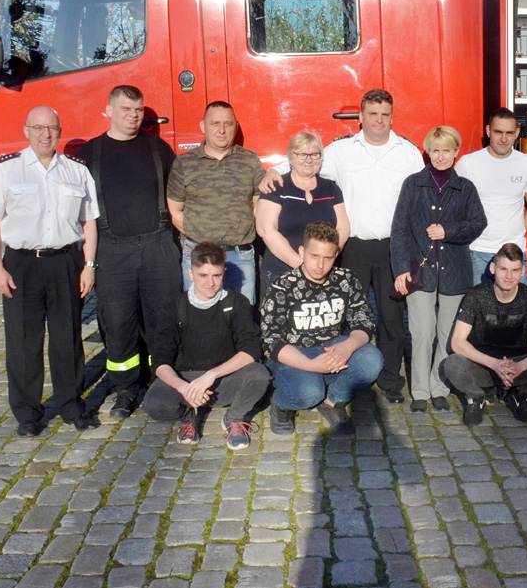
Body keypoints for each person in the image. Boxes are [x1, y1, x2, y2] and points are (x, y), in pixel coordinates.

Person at [262, 89, 421, 404]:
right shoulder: (341, 150)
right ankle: (341, 371)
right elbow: (303, 160)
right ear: (360, 116)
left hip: (393, 246)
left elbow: (418, 199)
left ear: (392, 116)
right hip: (354, 247)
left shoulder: (408, 153)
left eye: (385, 114)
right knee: (345, 316)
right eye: (372, 114)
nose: (378, 120)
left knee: (391, 317)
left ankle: (390, 380)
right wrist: (272, 170)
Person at [0, 106, 101, 437]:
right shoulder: (8, 169)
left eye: (52, 129)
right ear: (27, 130)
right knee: (23, 340)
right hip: (21, 263)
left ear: (59, 132)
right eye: (39, 128)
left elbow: (89, 222)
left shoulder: (76, 171)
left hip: (65, 262)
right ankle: (28, 413)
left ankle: (72, 405)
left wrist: (88, 265)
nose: (46, 134)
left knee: (67, 337)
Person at [78, 84, 181, 419]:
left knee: (162, 321)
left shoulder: (158, 149)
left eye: (138, 110)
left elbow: (181, 196)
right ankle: (126, 389)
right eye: (125, 109)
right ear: (108, 110)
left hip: (158, 246)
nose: (133, 116)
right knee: (119, 324)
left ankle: (162, 382)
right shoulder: (91, 154)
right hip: (113, 250)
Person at [391, 126, 487, 412]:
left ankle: (439, 386)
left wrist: (448, 230)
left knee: (447, 332)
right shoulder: (413, 184)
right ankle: (420, 391)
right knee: (422, 332)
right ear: (428, 152)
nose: (441, 156)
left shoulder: (465, 187)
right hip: (419, 271)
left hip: (455, 272)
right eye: (436, 150)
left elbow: (477, 223)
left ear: (456, 153)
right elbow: (399, 231)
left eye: (447, 150)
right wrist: (400, 268)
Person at [143, 242, 271, 449]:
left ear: (224, 273)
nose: (210, 283)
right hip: (186, 379)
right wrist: (184, 388)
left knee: (260, 375)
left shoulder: (236, 303)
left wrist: (212, 375)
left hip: (223, 378)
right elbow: (160, 361)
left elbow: (251, 350)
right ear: (191, 274)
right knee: (154, 405)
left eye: (216, 276)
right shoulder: (174, 308)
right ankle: (187, 418)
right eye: (203, 275)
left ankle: (234, 418)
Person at [261, 221, 385, 434]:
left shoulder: (345, 280)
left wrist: (348, 347)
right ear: (302, 252)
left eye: (327, 258)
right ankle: (281, 404)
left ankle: (333, 400)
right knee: (309, 393)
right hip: (294, 355)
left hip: (331, 348)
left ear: (335, 255)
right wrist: (311, 366)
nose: (320, 265)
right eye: (314, 256)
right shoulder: (283, 286)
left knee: (372, 360)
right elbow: (271, 341)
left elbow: (363, 320)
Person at [442, 243, 527, 426]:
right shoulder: (476, 296)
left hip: (517, 364)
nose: (509, 276)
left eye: (515, 270)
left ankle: (522, 394)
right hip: (484, 365)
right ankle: (476, 397)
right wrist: (494, 364)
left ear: (522, 271)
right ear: (493, 268)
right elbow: (457, 343)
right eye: (503, 269)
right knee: (452, 364)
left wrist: (520, 367)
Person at [167, 101, 266, 307]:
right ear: (203, 126)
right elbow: (175, 211)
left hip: (240, 254)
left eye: (228, 124)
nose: (221, 130)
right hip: (198, 255)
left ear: (236, 127)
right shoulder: (185, 163)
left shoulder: (250, 161)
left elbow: (259, 206)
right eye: (215, 124)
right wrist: (202, 241)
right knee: (199, 318)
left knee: (242, 316)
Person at [256, 130, 350, 294]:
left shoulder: (331, 188)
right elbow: (266, 230)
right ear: (291, 157)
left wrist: (327, 258)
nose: (308, 159)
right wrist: (302, 266)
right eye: (302, 154)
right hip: (281, 272)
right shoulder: (276, 187)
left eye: (314, 154)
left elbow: (343, 227)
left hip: (323, 273)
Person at [455, 108, 527, 282]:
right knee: (480, 308)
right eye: (498, 132)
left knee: (515, 309)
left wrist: (519, 231)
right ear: (488, 131)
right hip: (478, 252)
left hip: (514, 252)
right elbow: (455, 207)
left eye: (509, 133)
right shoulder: (468, 164)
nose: (503, 139)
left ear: (517, 133)